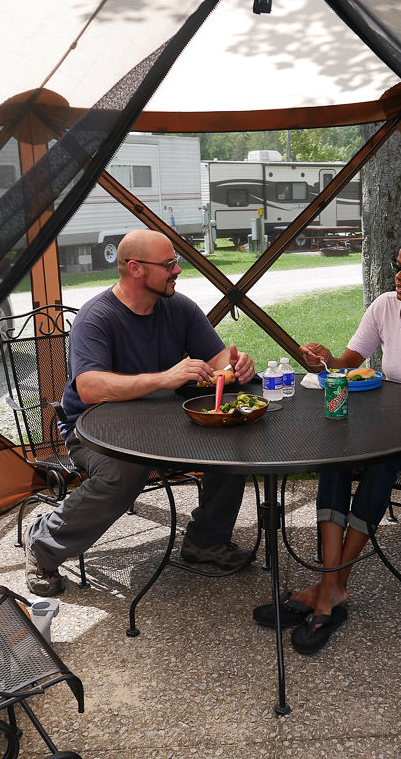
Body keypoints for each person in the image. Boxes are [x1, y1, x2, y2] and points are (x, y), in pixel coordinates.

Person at [254, 229, 401, 653]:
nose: (397, 276)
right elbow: (348, 363)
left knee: (381, 461)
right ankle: (332, 587)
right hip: (385, 428)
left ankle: (330, 585)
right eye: (397, 267)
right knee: (336, 456)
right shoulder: (384, 307)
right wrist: (324, 359)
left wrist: (386, 433)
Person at [24, 229, 257, 597]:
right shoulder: (96, 317)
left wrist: (237, 366)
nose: (177, 270)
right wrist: (164, 378)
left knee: (231, 447)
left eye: (175, 262)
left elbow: (217, 360)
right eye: (168, 264)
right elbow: (90, 387)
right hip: (92, 432)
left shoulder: (178, 307)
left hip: (162, 423)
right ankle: (43, 543)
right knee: (123, 473)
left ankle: (206, 541)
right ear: (135, 268)